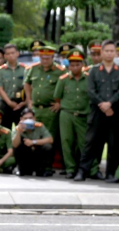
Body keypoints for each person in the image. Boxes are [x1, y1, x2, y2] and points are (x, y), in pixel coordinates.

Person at [74, 39, 119, 182]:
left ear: (116, 53)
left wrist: (110, 104)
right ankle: (83, 171)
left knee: (114, 144)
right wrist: (103, 105)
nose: (109, 53)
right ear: (102, 52)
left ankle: (110, 173)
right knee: (90, 142)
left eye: (112, 51)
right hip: (97, 112)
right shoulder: (93, 71)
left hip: (114, 113)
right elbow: (91, 91)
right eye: (107, 51)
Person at [53, 50, 93, 179]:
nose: (75, 67)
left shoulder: (88, 78)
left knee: (84, 143)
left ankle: (90, 169)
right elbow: (57, 97)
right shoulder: (63, 79)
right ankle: (70, 169)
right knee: (66, 141)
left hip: (83, 115)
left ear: (82, 64)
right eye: (72, 65)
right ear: (68, 66)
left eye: (77, 64)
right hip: (67, 114)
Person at [24, 46, 65, 154]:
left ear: (53, 57)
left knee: (49, 137)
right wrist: (29, 100)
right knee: (33, 135)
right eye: (42, 58)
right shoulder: (33, 68)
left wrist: (60, 103)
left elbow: (67, 87)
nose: (45, 61)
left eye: (47, 58)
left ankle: (47, 167)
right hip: (35, 108)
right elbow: (27, 83)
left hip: (50, 110)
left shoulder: (60, 71)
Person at [12, 107, 54, 176]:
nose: (28, 120)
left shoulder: (39, 126)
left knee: (48, 146)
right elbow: (15, 145)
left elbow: (50, 139)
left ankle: (41, 170)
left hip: (37, 154)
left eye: (30, 118)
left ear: (34, 118)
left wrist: (33, 142)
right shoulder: (17, 128)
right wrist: (19, 132)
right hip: (25, 156)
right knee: (18, 147)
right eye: (25, 118)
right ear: (21, 119)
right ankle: (21, 169)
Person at [0, 44, 27, 127]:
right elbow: (0, 88)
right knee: (4, 129)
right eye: (8, 54)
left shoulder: (25, 69)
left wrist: (24, 102)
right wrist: (9, 103)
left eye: (13, 53)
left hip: (21, 103)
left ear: (17, 53)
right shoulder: (0, 70)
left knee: (23, 129)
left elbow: (29, 87)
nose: (11, 55)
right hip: (6, 103)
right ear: (5, 56)